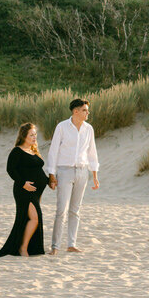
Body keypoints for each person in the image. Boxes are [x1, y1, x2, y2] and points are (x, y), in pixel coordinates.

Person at [0, 122, 51, 257]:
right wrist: (23, 183)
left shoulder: (33, 151)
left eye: (35, 135)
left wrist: (48, 181)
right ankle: (23, 248)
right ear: (24, 136)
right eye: (31, 135)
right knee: (35, 218)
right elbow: (11, 170)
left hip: (37, 192)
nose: (34, 137)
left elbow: (38, 171)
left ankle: (30, 248)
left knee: (30, 218)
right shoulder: (17, 151)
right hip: (24, 191)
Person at [45, 98, 100, 254]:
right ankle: (55, 247)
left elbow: (92, 152)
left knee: (75, 210)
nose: (87, 112)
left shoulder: (89, 129)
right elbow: (53, 151)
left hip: (82, 172)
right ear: (75, 111)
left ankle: (71, 244)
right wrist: (51, 174)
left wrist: (94, 175)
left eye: (87, 110)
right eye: (84, 110)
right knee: (61, 209)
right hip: (64, 171)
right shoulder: (62, 127)